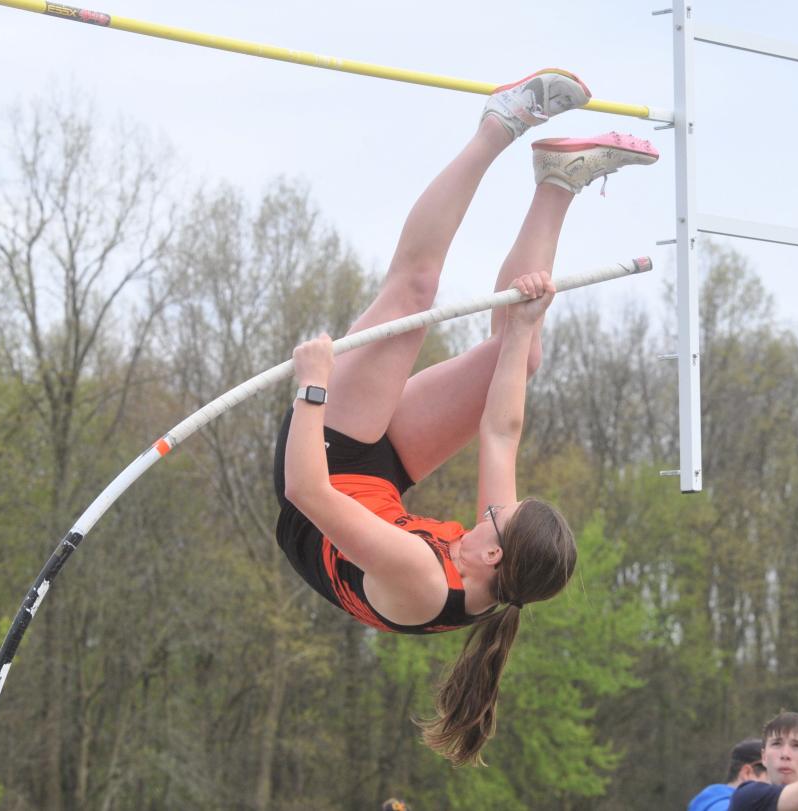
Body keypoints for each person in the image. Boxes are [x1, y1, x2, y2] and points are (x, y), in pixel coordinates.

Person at [273, 68, 658, 766]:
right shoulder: (499, 564)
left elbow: (308, 492)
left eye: (497, 519)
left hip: (322, 466)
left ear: (491, 552)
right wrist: (519, 330)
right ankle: (558, 180)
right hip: (379, 485)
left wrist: (312, 386)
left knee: (415, 291)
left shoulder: (425, 577)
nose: (492, 507)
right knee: (526, 356)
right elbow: (500, 428)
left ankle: (499, 125)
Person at [729, 712, 798, 811]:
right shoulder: (748, 797)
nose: (785, 754)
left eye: (797, 745)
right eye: (776, 744)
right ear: (764, 757)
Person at [688, 738, 769, 811]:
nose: (779, 787)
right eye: (773, 777)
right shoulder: (723, 805)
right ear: (747, 773)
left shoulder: (710, 801)